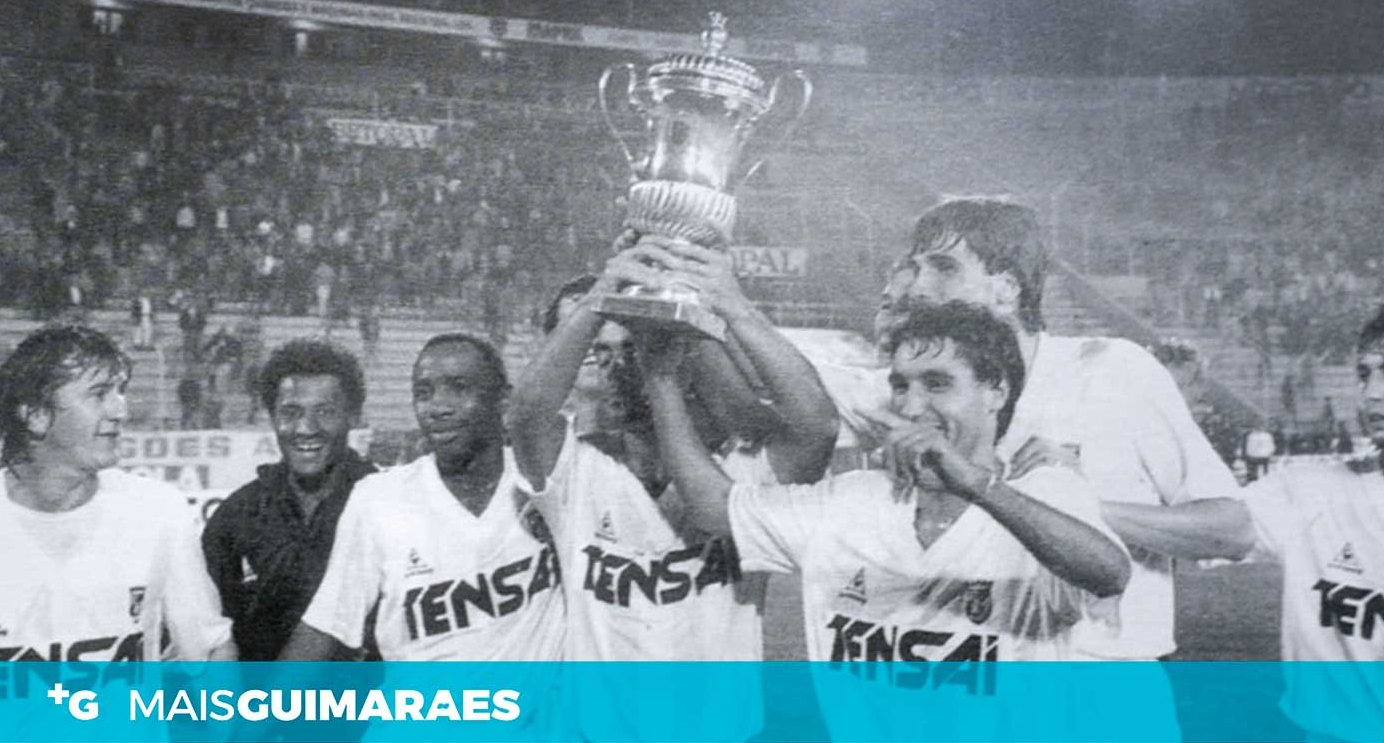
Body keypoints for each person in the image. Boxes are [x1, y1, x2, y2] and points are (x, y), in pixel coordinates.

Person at [653, 301, 1129, 737]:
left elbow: (1109, 573)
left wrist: (974, 483)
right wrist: (662, 379)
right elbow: (714, 507)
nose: (912, 406)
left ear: (996, 391)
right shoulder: (853, 500)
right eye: (901, 385)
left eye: (937, 383)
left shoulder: (1045, 491)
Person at [823, 200, 1238, 675]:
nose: (918, 286)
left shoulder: (1110, 370)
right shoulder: (907, 393)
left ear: (1006, 289)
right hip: (977, 681)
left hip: (1102, 677)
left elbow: (1229, 530)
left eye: (943, 268)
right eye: (915, 269)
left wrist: (1068, 509)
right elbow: (803, 395)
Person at [1104, 302, 1384, 741]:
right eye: (1364, 374)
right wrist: (1087, 506)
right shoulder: (1309, 491)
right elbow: (1219, 532)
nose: (1370, 393)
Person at [506, 238, 838, 738]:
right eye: (601, 354)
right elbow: (526, 414)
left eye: (633, 348)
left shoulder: (740, 467)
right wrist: (605, 291)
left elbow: (819, 428)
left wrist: (728, 305)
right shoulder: (577, 468)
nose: (619, 367)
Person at [281, 334, 563, 661]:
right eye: (423, 393)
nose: (437, 407)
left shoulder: (545, 482)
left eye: (459, 388)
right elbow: (325, 627)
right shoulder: (379, 498)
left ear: (502, 399)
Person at [0, 325, 234, 663]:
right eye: (99, 394)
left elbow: (211, 648)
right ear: (35, 415)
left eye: (120, 391)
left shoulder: (156, 511)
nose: (120, 410)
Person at [201, 339, 379, 661]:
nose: (306, 428)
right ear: (271, 417)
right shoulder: (236, 516)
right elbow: (208, 635)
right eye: (290, 412)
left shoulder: (386, 504)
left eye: (325, 412)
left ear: (353, 416)